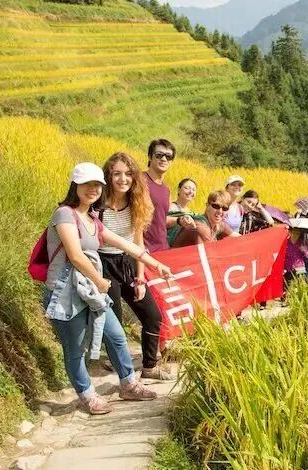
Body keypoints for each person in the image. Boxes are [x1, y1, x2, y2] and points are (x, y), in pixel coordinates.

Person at [44, 162, 173, 415]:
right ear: (75, 185)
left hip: (88, 290)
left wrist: (156, 265)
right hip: (65, 292)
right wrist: (101, 281)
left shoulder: (92, 218)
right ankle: (87, 395)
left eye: (97, 185)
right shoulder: (64, 214)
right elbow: (76, 256)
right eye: (87, 184)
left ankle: (128, 384)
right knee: (75, 349)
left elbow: (128, 246)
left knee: (116, 335)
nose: (93, 189)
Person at [98, 153, 174, 381]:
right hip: (103, 264)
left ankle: (150, 366)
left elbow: (138, 242)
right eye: (117, 174)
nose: (123, 179)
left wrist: (140, 278)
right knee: (115, 323)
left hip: (128, 261)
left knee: (152, 315)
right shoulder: (98, 204)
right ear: (108, 176)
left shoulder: (135, 203)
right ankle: (123, 373)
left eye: (128, 174)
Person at [143, 139, 195, 252]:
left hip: (163, 248)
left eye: (168, 156)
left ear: (171, 161)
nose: (163, 159)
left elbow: (161, 220)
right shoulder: (140, 181)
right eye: (159, 155)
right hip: (144, 250)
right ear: (150, 157)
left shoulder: (166, 190)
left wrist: (179, 220)